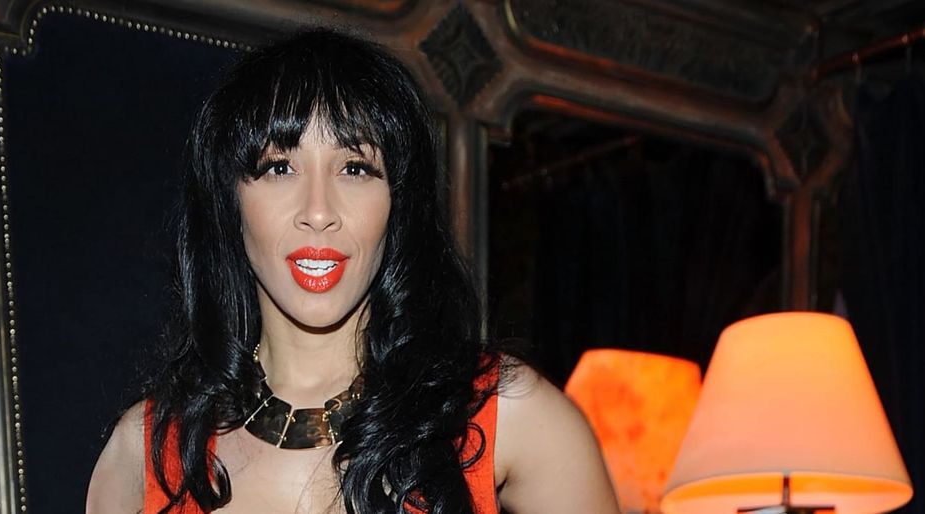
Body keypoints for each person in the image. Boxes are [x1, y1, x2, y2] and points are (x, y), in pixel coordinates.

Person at [86, 28, 619, 514]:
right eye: (279, 167)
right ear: (229, 201)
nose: (319, 211)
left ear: (398, 203)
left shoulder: (507, 413)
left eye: (355, 168)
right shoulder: (144, 451)